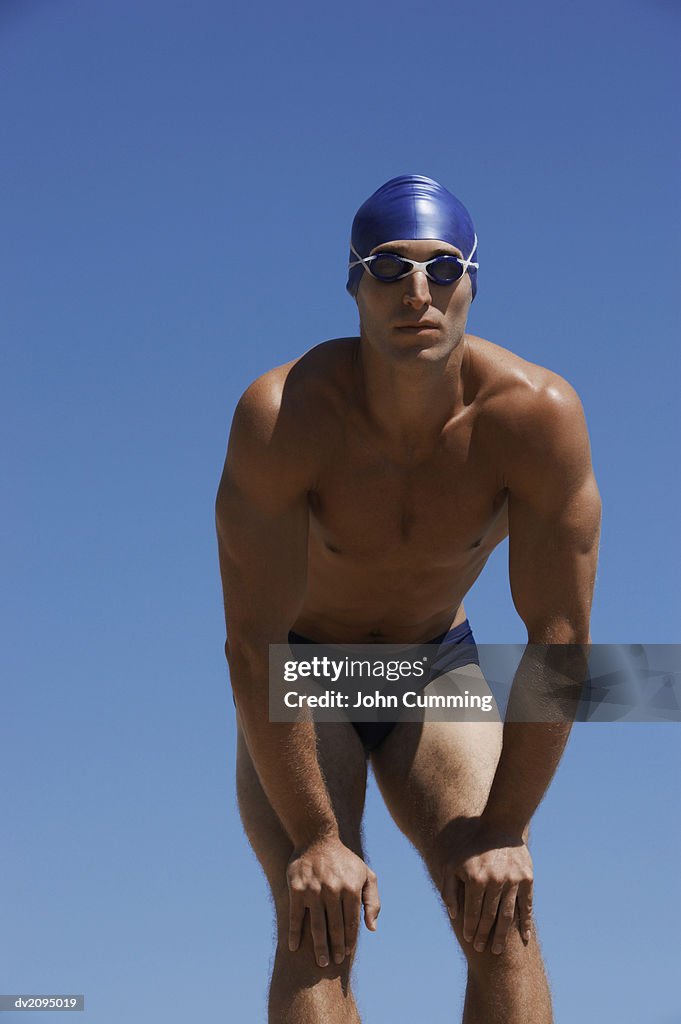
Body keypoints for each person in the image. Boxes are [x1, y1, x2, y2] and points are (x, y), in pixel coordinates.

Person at [215, 174, 601, 1024]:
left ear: (471, 281)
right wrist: (318, 839)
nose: (416, 292)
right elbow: (253, 644)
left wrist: (505, 828)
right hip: (305, 671)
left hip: (431, 664)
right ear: (354, 284)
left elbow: (559, 641)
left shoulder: (533, 417)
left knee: (502, 915)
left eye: (441, 267)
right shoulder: (283, 417)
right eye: (388, 268)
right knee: (316, 918)